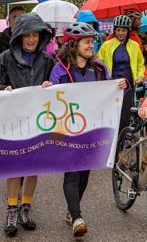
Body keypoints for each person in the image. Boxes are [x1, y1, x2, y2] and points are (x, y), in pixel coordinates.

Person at [48, 22, 126, 237]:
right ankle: (77, 217)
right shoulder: (60, 69)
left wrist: (119, 85)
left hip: (92, 130)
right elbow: (49, 95)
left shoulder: (99, 69)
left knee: (84, 175)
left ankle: (71, 211)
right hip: (67, 130)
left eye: (92, 42)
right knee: (72, 173)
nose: (91, 46)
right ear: (74, 45)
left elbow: (110, 89)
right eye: (87, 42)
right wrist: (47, 88)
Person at [0, 12, 54, 238]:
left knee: (33, 165)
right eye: (27, 35)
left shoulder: (47, 60)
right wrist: (2, 89)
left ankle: (26, 207)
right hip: (13, 120)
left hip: (38, 121)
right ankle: (11, 209)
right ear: (19, 36)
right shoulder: (5, 58)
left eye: (36, 35)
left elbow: (57, 83)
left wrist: (51, 84)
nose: (31, 39)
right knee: (15, 166)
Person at [98, 15, 145, 131]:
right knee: (112, 112)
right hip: (112, 85)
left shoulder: (134, 45)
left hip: (129, 85)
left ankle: (123, 137)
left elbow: (140, 64)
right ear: (114, 30)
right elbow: (99, 63)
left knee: (125, 113)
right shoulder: (106, 45)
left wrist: (140, 76)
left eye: (123, 30)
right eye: (118, 30)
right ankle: (112, 136)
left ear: (128, 31)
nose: (120, 33)